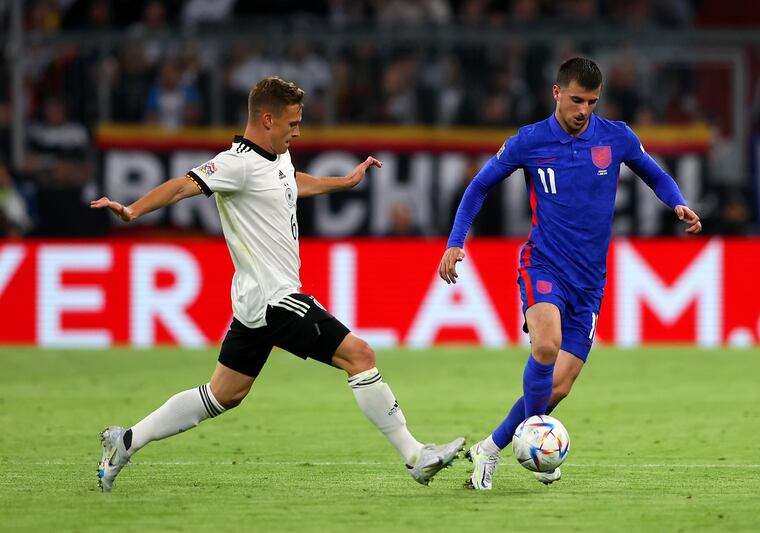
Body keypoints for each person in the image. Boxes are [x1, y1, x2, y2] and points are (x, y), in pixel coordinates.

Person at [92, 76, 464, 492]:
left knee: (223, 394)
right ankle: (416, 455)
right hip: (275, 299)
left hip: (253, 303)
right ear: (267, 119)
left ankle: (124, 442)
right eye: (292, 124)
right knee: (360, 355)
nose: (298, 131)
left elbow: (291, 182)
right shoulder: (235, 164)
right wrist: (133, 210)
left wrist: (343, 182)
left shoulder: (277, 157)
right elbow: (182, 185)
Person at [438, 58, 701, 490]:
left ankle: (490, 448)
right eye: (576, 99)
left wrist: (676, 202)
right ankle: (532, 445)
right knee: (546, 345)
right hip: (543, 264)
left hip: (590, 281)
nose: (583, 110)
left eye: (592, 102)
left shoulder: (616, 138)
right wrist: (455, 241)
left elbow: (655, 174)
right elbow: (479, 185)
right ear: (556, 93)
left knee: (557, 387)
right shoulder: (530, 141)